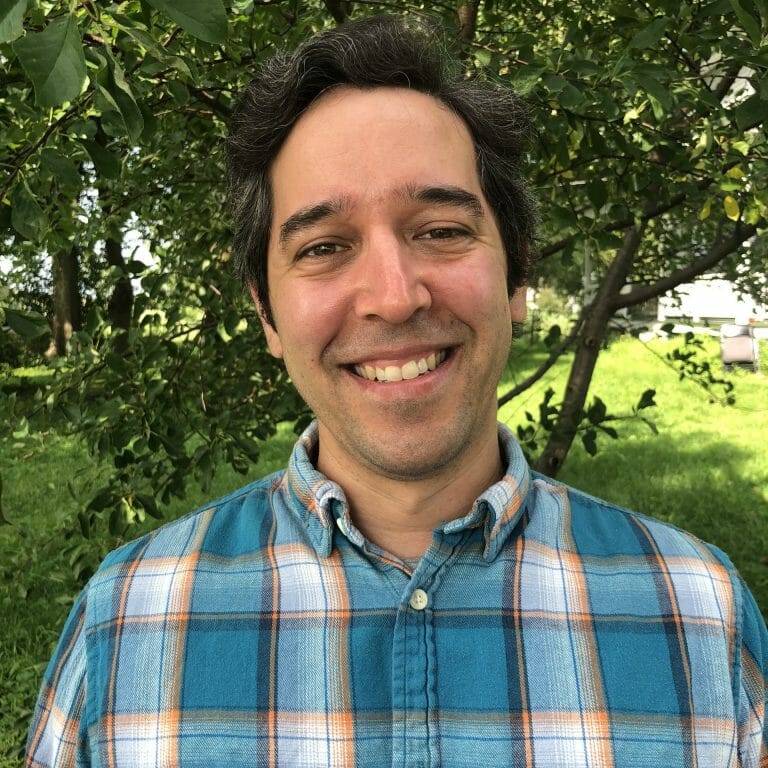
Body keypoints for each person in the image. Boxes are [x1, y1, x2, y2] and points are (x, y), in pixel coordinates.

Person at [26, 15, 767, 768]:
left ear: (516, 276)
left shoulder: (700, 615)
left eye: (441, 230)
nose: (393, 297)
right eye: (323, 246)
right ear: (267, 313)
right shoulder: (124, 620)